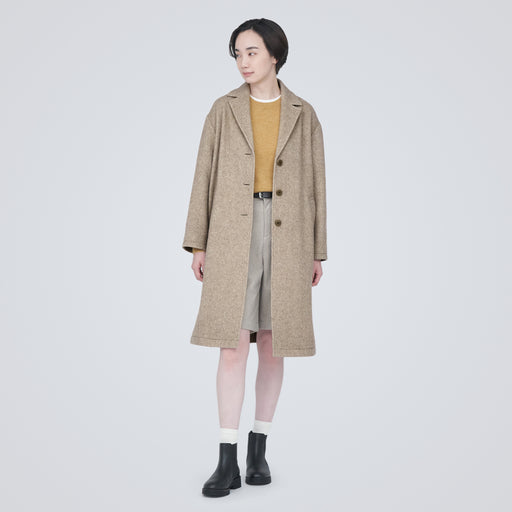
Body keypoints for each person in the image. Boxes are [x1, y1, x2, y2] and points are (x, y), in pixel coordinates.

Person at [182, 18, 327, 497]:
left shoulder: (304, 113)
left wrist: (317, 251)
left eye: (251, 52)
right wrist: (198, 242)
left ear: (274, 55)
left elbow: (317, 185)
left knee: (272, 341)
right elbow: (203, 176)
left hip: (289, 238)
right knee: (232, 344)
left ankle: (258, 450)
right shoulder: (223, 110)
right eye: (238, 54)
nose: (243, 62)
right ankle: (227, 459)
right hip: (231, 232)